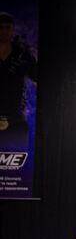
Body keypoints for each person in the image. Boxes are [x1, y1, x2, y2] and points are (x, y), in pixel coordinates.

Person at [0, 11, 38, 149]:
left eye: (7, 27)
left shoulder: (23, 55)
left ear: (12, 29)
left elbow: (37, 79)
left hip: (15, 122)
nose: (4, 31)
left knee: (19, 167)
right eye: (1, 27)